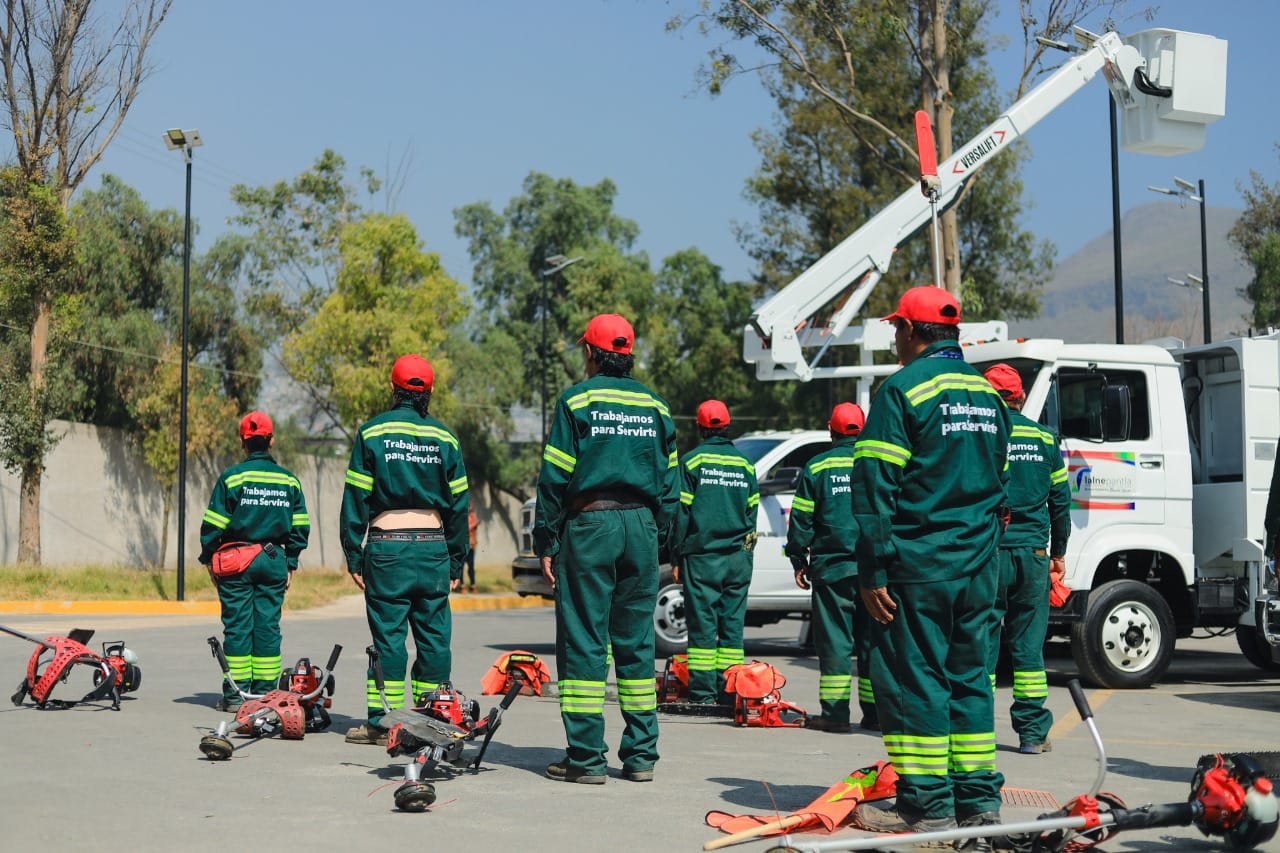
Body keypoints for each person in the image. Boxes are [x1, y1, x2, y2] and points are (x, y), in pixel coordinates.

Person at [850, 286, 1011, 850]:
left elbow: (874, 487)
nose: (895, 339)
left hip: (920, 566)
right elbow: (1003, 489)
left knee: (917, 680)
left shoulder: (902, 390)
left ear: (913, 333)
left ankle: (927, 805)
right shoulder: (989, 397)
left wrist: (871, 570)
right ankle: (978, 803)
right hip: (980, 565)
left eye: (897, 330)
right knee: (971, 680)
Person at [533, 313, 679, 784]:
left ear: (592, 354)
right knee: (636, 644)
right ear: (628, 355)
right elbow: (671, 482)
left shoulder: (578, 399)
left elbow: (555, 475)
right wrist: (660, 537)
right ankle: (640, 757)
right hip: (641, 525)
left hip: (590, 523)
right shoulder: (656, 406)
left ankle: (586, 759)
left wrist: (547, 538)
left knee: (584, 641)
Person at [340, 354, 470, 745]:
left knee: (388, 638)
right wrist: (455, 560)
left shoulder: (372, 433)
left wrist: (354, 552)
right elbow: (459, 506)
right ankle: (430, 720)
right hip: (432, 547)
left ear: (392, 390)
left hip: (386, 547)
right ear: (428, 394)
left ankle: (384, 723)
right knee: (433, 637)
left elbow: (356, 498)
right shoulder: (446, 438)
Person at [982, 363, 1071, 755]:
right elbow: (1061, 502)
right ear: (1019, 397)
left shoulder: (981, 438)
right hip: (1034, 556)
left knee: (981, 641)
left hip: (989, 555)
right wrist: (1059, 552)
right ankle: (1032, 734)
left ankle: (978, 727)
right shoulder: (1045, 440)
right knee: (1028, 648)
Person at [199, 411, 310, 711]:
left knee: (237, 628)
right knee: (267, 627)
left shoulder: (232, 477)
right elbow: (300, 525)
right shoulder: (289, 480)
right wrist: (291, 561)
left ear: (243, 443)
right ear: (271, 441)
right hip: (274, 560)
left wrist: (209, 557)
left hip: (236, 562)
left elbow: (213, 523)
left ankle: (236, 697)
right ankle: (264, 695)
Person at [786, 402, 875, 733]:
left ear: (831, 429)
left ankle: (836, 715)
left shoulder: (818, 467)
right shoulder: (876, 463)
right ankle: (876, 714)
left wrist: (799, 559)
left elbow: (802, 519)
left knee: (836, 643)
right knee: (872, 643)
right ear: (862, 429)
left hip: (833, 570)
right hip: (875, 571)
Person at [671, 399, 759, 705]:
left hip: (703, 557)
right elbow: (752, 516)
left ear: (699, 427)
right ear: (727, 426)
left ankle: (702, 694)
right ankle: (731, 692)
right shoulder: (745, 465)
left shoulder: (692, 462)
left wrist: (676, 555)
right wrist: (746, 555)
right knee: (732, 629)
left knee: (703, 628)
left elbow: (682, 514)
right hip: (737, 558)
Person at [466, 507, 480, 593]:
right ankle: (462, 586)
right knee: (461, 566)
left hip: (472, 545)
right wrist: (473, 524)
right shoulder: (462, 517)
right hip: (464, 545)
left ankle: (472, 585)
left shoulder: (472, 516)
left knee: (471, 566)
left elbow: (476, 524)